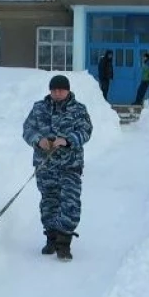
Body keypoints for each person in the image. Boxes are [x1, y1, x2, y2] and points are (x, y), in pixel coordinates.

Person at [22, 74, 93, 261]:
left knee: (70, 203)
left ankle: (64, 243)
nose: (57, 93)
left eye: (61, 90)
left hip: (70, 165)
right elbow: (27, 130)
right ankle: (52, 238)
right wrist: (39, 141)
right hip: (45, 167)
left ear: (68, 90)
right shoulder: (39, 108)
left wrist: (68, 141)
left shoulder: (78, 110)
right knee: (49, 203)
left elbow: (86, 131)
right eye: (54, 90)